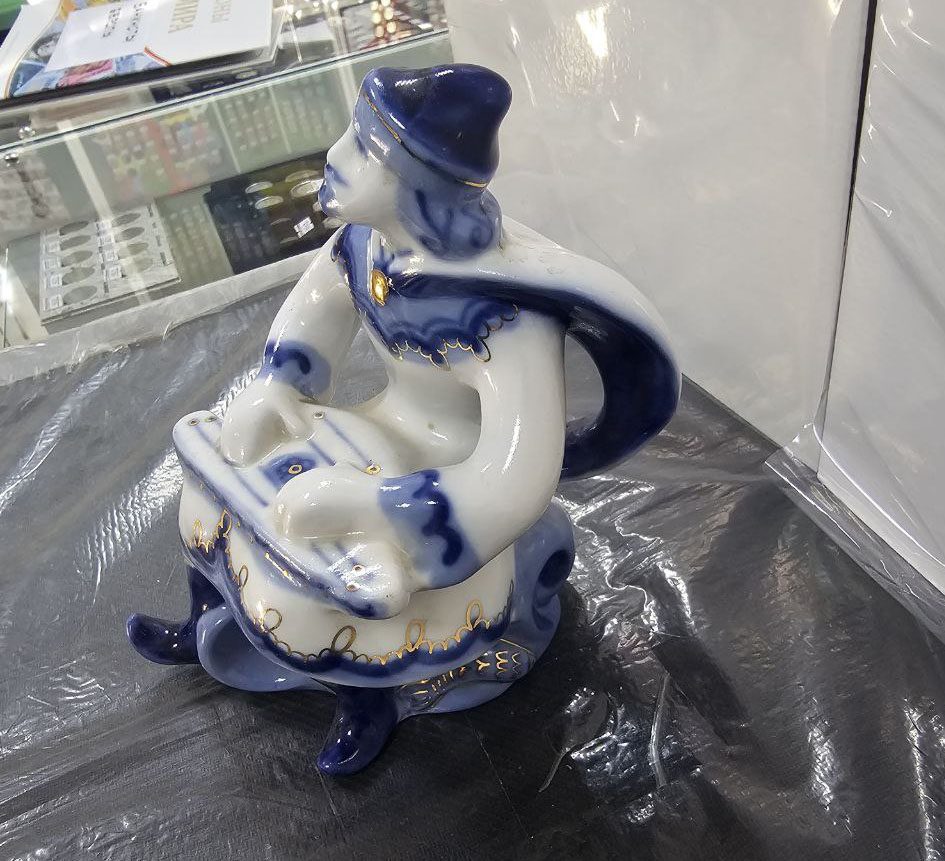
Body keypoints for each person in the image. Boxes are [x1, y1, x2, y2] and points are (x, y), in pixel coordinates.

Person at [129, 64, 679, 775]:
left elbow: (515, 475)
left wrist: (376, 506)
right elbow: (312, 315)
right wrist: (278, 384)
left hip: (445, 483)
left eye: (363, 147)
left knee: (336, 583)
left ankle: (369, 698)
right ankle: (207, 618)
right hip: (373, 430)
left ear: (419, 185)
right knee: (216, 477)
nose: (335, 155)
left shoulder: (505, 317)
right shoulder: (363, 246)